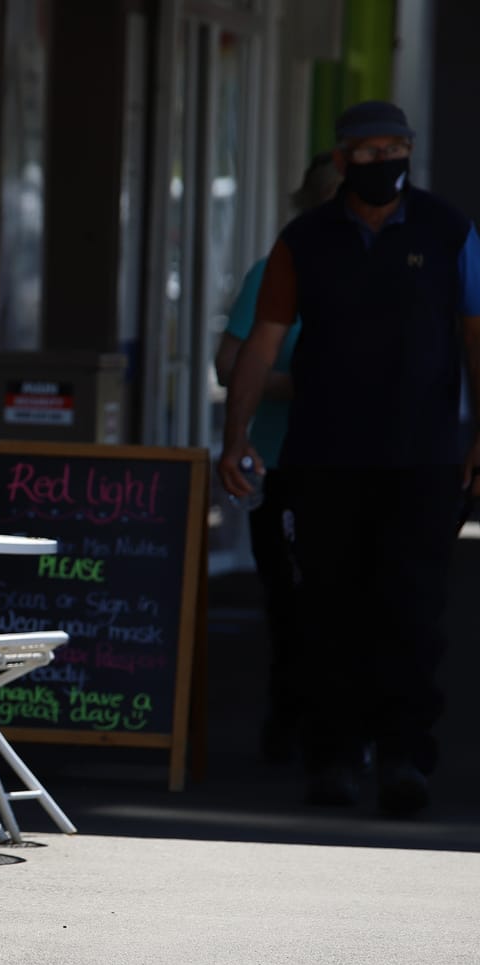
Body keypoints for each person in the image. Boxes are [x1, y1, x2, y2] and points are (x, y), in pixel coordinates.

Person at [218, 100, 480, 815]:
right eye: (367, 152)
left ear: (411, 153)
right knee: (328, 612)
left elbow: (475, 337)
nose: (382, 162)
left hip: (422, 457)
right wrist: (235, 437)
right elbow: (261, 345)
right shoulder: (303, 241)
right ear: (340, 161)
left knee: (413, 613)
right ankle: (332, 757)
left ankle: (404, 760)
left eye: (395, 148)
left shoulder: (449, 231)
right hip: (325, 456)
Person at [214, 152, 342, 765]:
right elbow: (228, 364)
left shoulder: (385, 276)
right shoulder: (275, 270)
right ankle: (290, 716)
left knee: (356, 597)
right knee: (289, 598)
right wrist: (297, 382)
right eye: (332, 198)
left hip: (359, 463)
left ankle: (344, 725)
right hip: (280, 460)